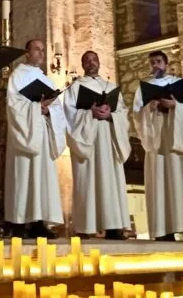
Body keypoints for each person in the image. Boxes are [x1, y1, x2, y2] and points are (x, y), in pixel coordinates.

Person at [131, 50, 183, 241]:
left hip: (177, 143)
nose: (155, 65)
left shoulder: (181, 86)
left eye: (159, 61)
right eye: (152, 62)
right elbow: (137, 116)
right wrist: (149, 108)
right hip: (157, 142)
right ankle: (164, 230)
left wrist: (175, 105)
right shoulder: (143, 89)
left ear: (166, 64)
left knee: (182, 181)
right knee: (159, 181)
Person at [62, 51, 131, 239]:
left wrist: (111, 115)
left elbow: (123, 112)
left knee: (110, 181)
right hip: (88, 139)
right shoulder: (75, 87)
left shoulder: (110, 87)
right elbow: (68, 115)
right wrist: (89, 113)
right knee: (87, 179)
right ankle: (86, 226)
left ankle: (114, 226)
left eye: (94, 59)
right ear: (83, 65)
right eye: (87, 60)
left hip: (108, 138)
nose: (91, 63)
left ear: (99, 62)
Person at [5, 39, 67, 239]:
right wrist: (35, 107)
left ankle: (40, 221)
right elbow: (13, 105)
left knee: (41, 178)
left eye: (42, 50)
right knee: (24, 176)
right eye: (36, 49)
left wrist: (48, 110)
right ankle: (21, 223)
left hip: (41, 133)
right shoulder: (18, 75)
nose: (40, 53)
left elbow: (56, 107)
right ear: (27, 53)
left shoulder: (46, 80)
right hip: (25, 134)